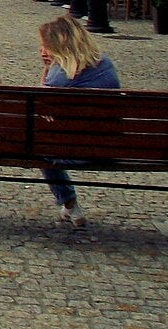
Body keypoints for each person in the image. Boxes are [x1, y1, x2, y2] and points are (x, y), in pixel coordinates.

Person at [37, 13, 120, 228]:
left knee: (39, 144)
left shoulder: (59, 78)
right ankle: (71, 207)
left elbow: (43, 112)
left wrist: (48, 69)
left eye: (46, 46)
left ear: (58, 47)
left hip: (73, 152)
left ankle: (69, 202)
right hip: (109, 148)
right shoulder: (106, 66)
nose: (43, 50)